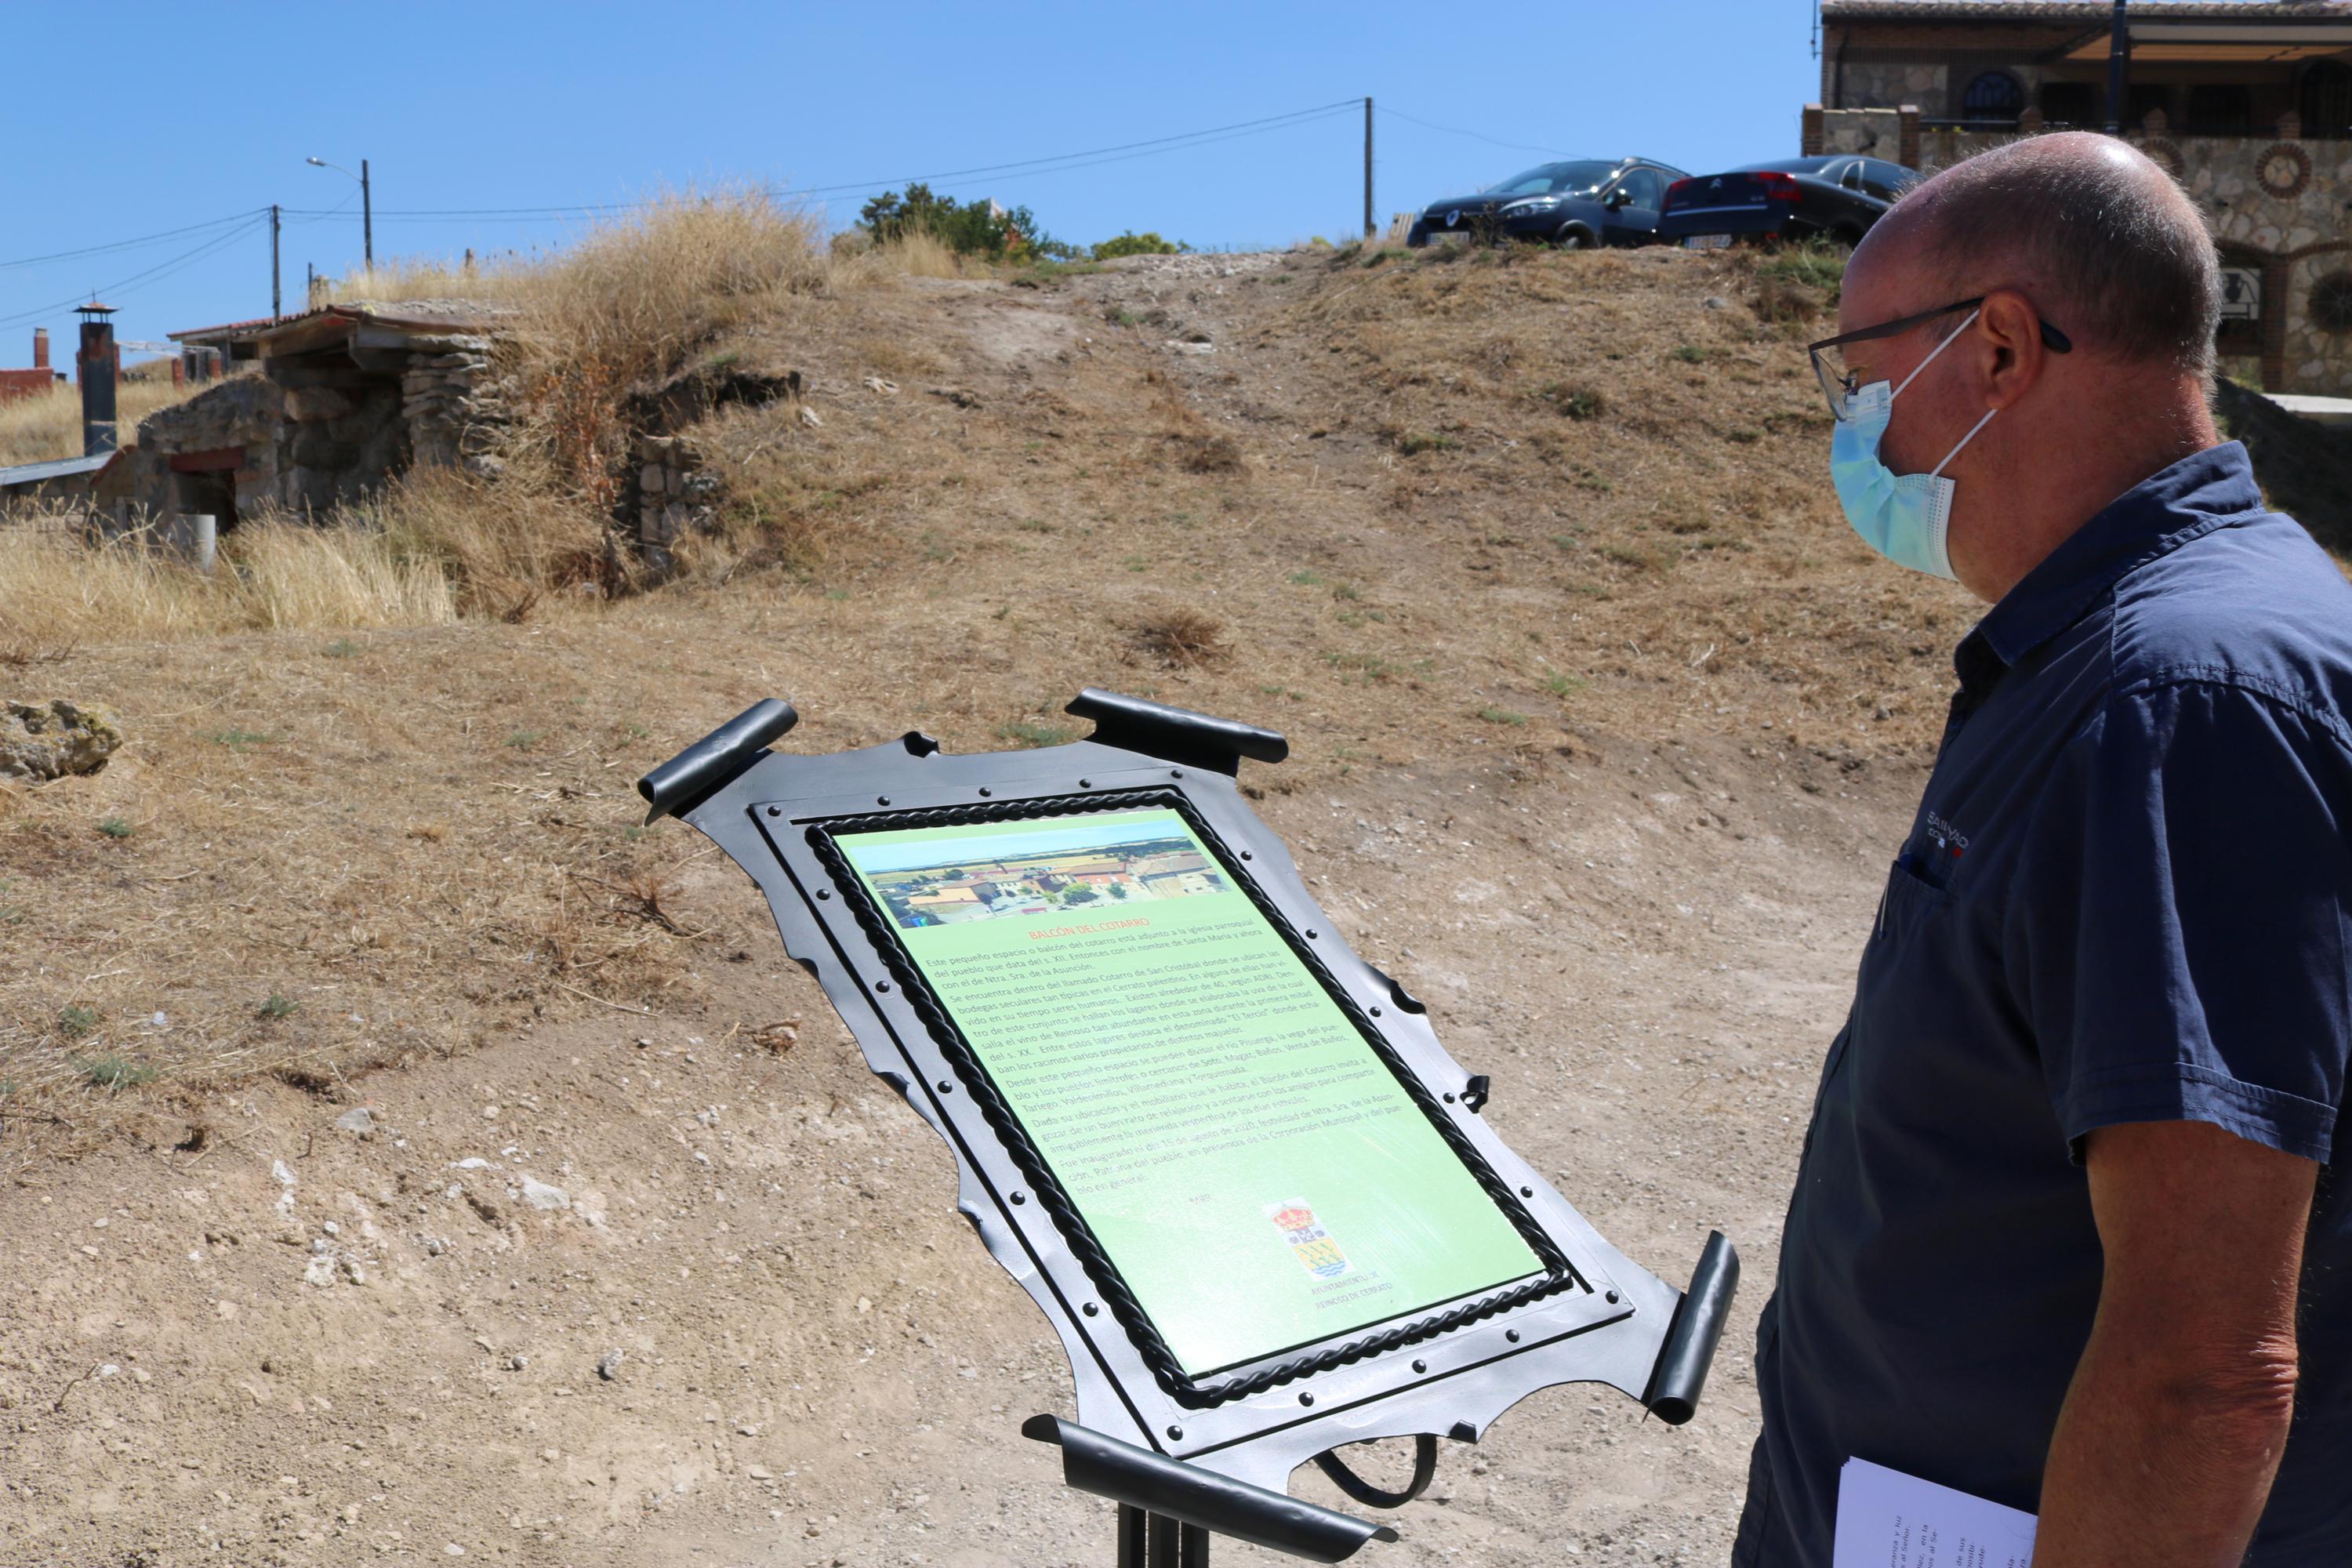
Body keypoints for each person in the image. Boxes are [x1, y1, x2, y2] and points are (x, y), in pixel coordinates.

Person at [1735, 132, 2352, 1566]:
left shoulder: (2183, 697)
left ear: (2001, 350)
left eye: (1864, 371)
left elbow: (2206, 1372)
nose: (1861, 429)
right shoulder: (2129, 646)